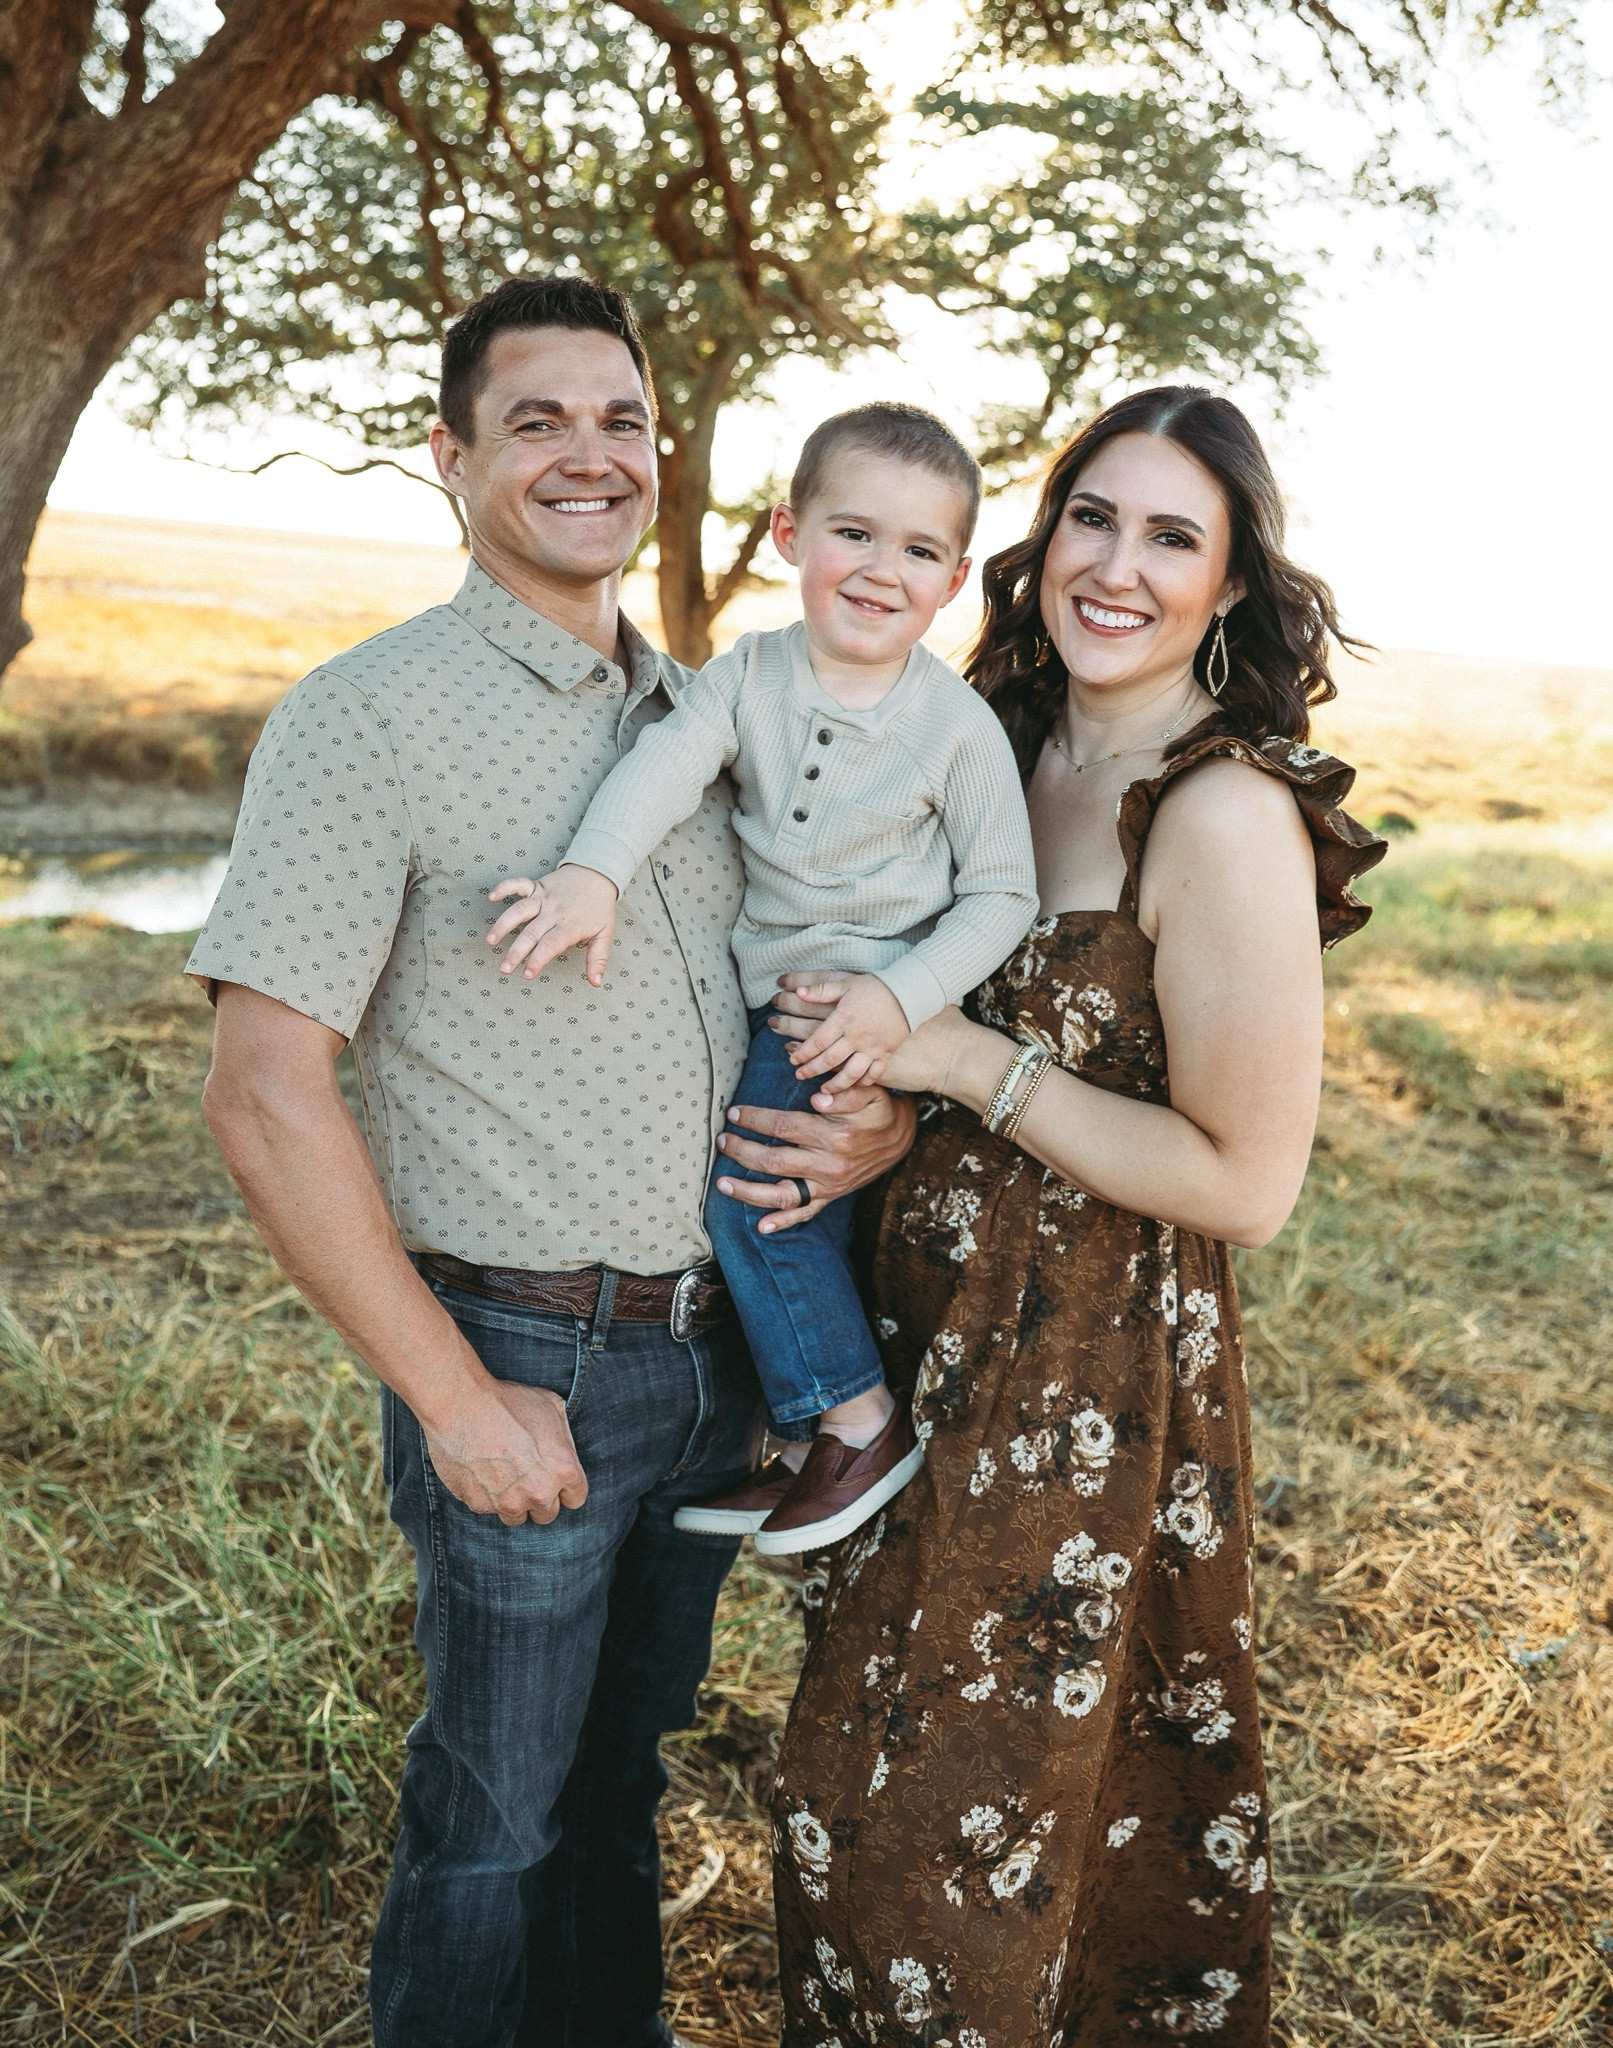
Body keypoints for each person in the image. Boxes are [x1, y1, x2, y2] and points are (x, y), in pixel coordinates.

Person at [185, 274, 915, 2048]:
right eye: (537, 422)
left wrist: (875, 1115)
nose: (592, 456)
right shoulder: (370, 716)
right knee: (494, 1817)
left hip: (721, 1357)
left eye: (622, 421)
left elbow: (806, 984)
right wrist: (454, 1401)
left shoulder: (716, 719)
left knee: (615, 1782)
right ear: (449, 458)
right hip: (524, 1359)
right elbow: (264, 1092)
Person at [764, 386, 1387, 2044]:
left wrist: (969, 1063)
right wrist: (878, 1117)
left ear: (1230, 584)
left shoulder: (1218, 811)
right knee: (840, 1793)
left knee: (954, 1861)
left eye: (1173, 537)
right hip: (905, 1352)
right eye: (1093, 518)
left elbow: (1247, 1180)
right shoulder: (987, 735)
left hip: (1079, 1398)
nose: (1117, 566)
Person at [484, 403, 1037, 1555]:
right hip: (775, 994)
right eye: (854, 533)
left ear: (952, 580)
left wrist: (898, 999)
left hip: (860, 1005)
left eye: (918, 550)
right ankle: (794, 1446)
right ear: (790, 533)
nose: (880, 570)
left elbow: (1001, 895)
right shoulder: (750, 675)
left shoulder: (956, 728)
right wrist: (593, 873)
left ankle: (856, 1423)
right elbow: (662, 764)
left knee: (757, 1200)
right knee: (795, 1212)